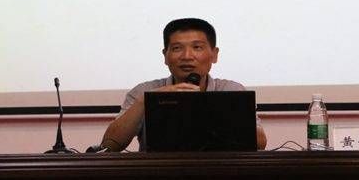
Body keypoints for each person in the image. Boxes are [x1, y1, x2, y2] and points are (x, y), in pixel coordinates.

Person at [102, 18, 267, 151]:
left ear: (214, 54)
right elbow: (110, 145)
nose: (187, 56)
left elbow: (260, 143)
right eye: (177, 48)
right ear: (165, 56)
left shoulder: (231, 91)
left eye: (197, 47)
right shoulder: (144, 91)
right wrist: (146, 100)